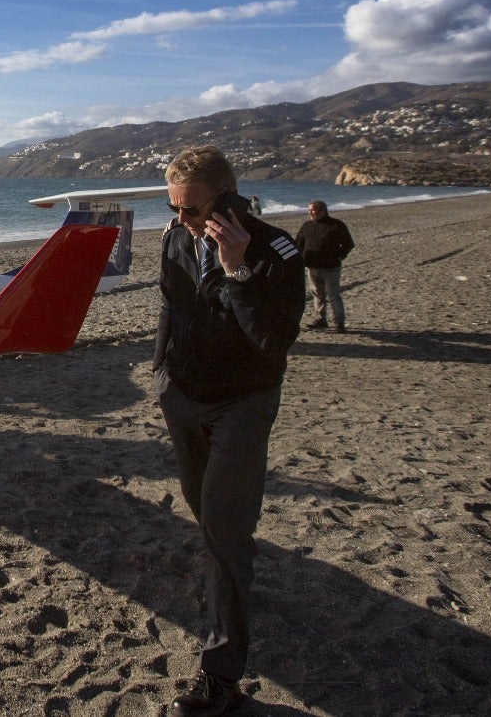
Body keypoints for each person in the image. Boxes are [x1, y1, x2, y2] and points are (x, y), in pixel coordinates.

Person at [154, 147, 304, 716]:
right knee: (207, 515)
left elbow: (272, 341)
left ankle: (221, 678)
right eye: (175, 208)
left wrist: (238, 269)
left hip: (243, 402)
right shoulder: (175, 236)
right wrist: (161, 369)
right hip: (183, 398)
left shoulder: (276, 251)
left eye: (192, 210)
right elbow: (171, 301)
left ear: (230, 199)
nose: (183, 220)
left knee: (224, 531)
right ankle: (232, 581)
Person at [295, 200, 355, 332]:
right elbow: (298, 244)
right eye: (309, 210)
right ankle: (321, 319)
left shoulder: (336, 225)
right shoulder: (307, 225)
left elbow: (348, 244)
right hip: (312, 266)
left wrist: (339, 256)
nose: (311, 213)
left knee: (333, 294)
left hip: (331, 267)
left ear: (323, 210)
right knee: (317, 295)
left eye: (313, 210)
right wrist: (300, 259)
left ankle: (339, 322)